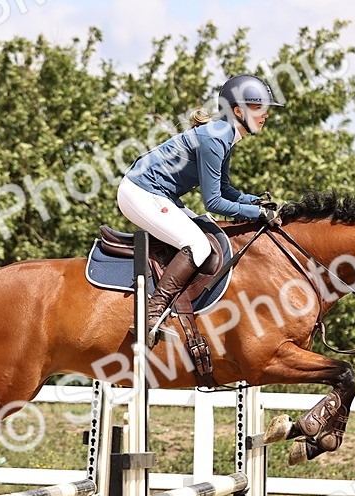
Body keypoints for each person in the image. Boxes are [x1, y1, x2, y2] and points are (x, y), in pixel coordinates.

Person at [118, 74, 284, 345]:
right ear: (239, 111)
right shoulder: (215, 139)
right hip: (141, 192)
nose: (265, 115)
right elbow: (215, 203)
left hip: (161, 194)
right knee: (198, 245)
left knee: (207, 231)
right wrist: (258, 215)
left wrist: (255, 202)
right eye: (258, 109)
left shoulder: (225, 135)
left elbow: (226, 189)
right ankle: (150, 313)